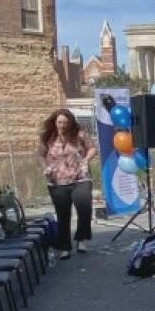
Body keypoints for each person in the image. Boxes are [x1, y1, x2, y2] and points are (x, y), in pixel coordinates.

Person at [39, 108, 96, 259]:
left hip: (81, 178)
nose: (62, 125)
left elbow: (92, 149)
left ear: (70, 122)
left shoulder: (80, 135)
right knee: (63, 215)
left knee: (84, 209)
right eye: (59, 122)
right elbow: (40, 155)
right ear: (54, 122)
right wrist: (45, 168)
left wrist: (86, 159)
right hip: (57, 181)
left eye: (65, 122)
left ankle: (82, 239)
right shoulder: (48, 138)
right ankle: (64, 247)